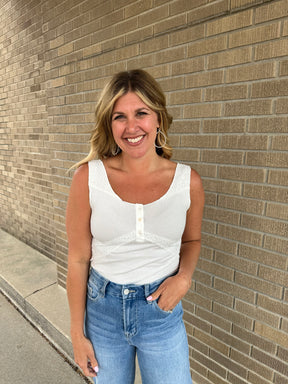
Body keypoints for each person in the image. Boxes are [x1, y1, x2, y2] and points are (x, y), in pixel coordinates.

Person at [66, 69, 204, 384]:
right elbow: (77, 258)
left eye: (141, 113)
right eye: (119, 117)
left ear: (158, 118)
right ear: (108, 123)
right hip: (103, 314)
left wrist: (184, 278)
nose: (131, 127)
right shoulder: (88, 179)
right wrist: (77, 334)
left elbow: (192, 240)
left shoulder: (188, 182)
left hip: (161, 316)